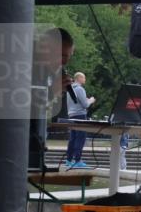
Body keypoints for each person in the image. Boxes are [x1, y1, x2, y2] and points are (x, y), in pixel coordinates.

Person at [29, 27, 75, 172]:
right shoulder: (22, 66)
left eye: (68, 57)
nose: (64, 63)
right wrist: (51, 92)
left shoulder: (43, 73)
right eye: (61, 56)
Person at [64, 72, 96, 168]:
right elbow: (85, 105)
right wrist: (91, 100)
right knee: (80, 138)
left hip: (71, 115)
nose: (85, 80)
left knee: (72, 138)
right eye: (84, 78)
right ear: (79, 78)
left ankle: (69, 160)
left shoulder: (70, 90)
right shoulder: (80, 89)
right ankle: (77, 160)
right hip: (80, 116)